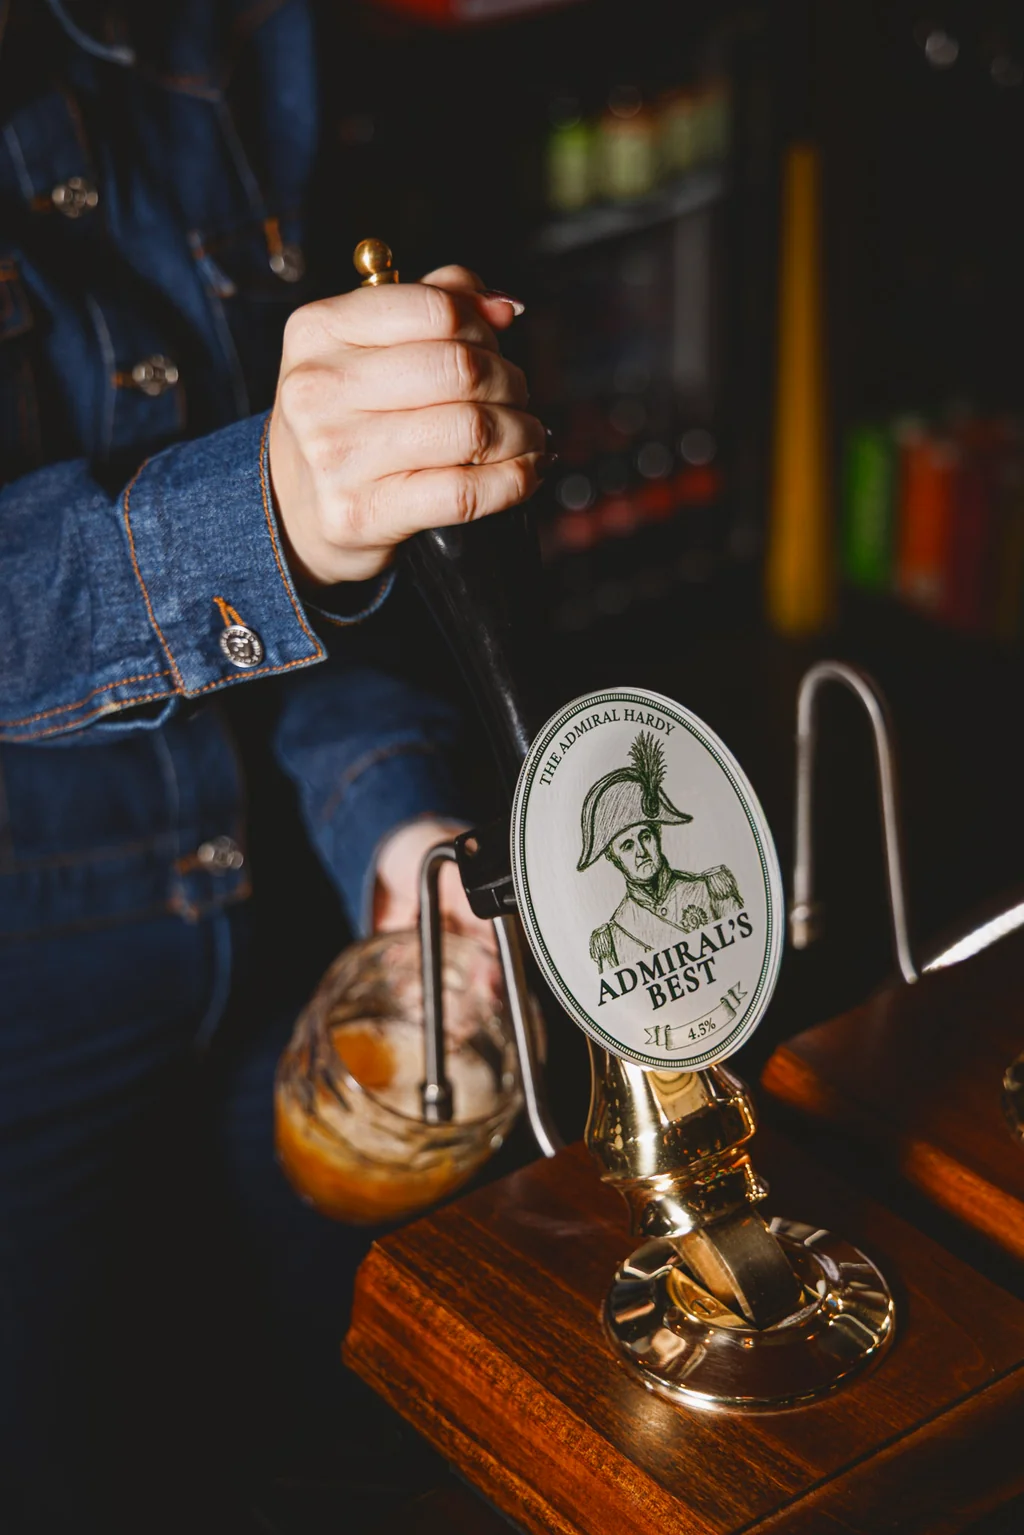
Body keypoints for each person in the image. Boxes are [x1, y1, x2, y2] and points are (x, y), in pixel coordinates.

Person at [0, 3, 549, 1530]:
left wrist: (394, 822)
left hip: (285, 912)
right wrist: (267, 508)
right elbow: (256, 512)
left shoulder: (233, 29)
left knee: (383, 1419)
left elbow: (301, 589)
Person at [580, 732, 742, 971]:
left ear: (658, 835)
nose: (641, 852)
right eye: (627, 846)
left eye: (645, 836)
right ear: (613, 858)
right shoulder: (612, 939)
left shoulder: (710, 890)